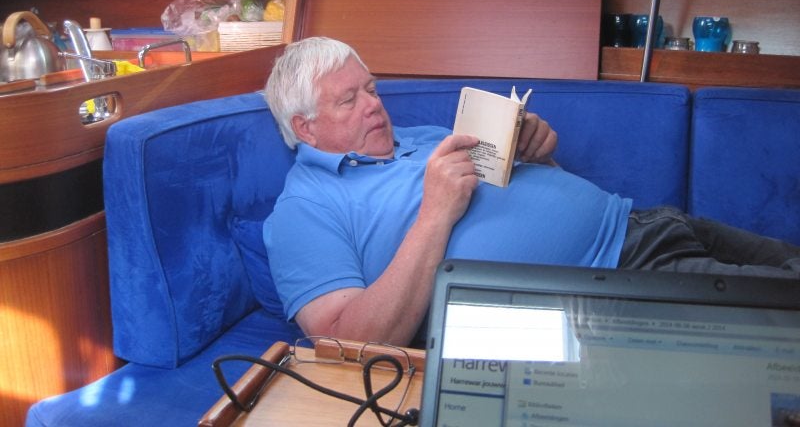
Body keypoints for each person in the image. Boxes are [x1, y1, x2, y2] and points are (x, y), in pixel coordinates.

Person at [263, 37, 800, 347]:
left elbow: (527, 197)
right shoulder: (303, 211)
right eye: (349, 100)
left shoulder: (419, 137)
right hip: (620, 277)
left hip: (648, 222)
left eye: (372, 89)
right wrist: (434, 214)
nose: (374, 105)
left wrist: (538, 157)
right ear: (305, 128)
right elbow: (341, 344)